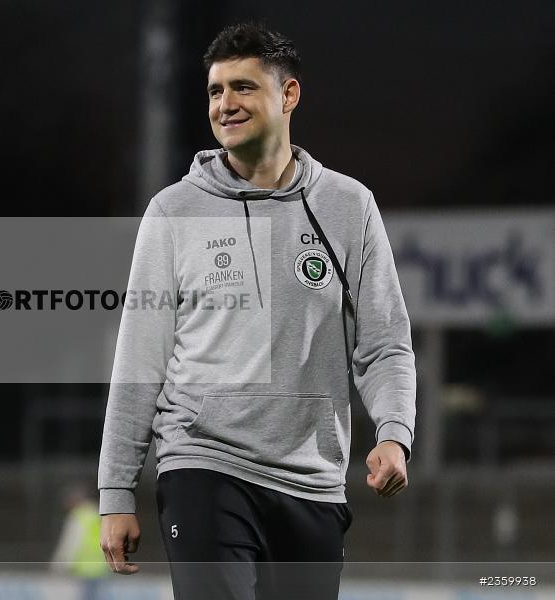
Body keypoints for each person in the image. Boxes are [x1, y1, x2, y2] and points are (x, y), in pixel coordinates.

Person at [98, 22, 415, 600]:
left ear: (288, 95)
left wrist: (394, 433)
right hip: (203, 463)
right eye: (216, 91)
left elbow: (385, 342)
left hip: (313, 483)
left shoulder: (349, 206)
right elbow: (138, 357)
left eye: (243, 88)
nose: (225, 104)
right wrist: (115, 491)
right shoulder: (173, 212)